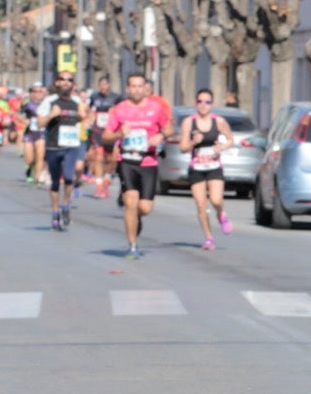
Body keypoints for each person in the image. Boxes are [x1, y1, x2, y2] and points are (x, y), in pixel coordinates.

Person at [102, 73, 175, 259]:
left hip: (148, 161)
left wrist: (161, 136)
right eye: (132, 86)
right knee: (131, 203)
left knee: (145, 208)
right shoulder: (119, 110)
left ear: (145, 88)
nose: (136, 90)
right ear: (127, 89)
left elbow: (169, 128)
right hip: (127, 161)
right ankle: (132, 246)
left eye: (139, 86)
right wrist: (119, 133)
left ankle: (136, 219)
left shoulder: (156, 108)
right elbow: (105, 136)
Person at [178, 88, 236, 250]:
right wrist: (192, 142)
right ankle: (209, 237)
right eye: (200, 102)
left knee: (216, 200)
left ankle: (220, 214)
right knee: (201, 204)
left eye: (207, 102)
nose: (203, 105)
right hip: (197, 167)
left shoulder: (219, 121)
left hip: (214, 166)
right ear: (195, 103)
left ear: (212, 104)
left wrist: (221, 147)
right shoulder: (189, 122)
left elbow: (231, 140)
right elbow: (182, 147)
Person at [39, 73, 88, 232]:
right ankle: (55, 212)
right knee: (54, 182)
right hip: (54, 146)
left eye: (70, 80)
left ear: (73, 84)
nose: (66, 82)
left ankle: (65, 205)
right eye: (63, 80)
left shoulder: (77, 102)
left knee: (68, 177)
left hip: (71, 145)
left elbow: (83, 118)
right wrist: (51, 115)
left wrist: (82, 117)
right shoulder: (49, 101)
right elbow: (40, 123)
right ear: (57, 83)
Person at [85, 76, 118, 197]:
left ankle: (107, 176)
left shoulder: (116, 97)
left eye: (105, 84)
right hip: (98, 130)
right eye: (101, 85)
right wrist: (89, 116)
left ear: (109, 85)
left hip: (111, 131)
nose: (103, 87)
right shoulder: (94, 96)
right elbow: (87, 109)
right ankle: (99, 186)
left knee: (111, 158)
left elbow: (122, 111)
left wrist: (114, 112)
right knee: (98, 156)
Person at [20, 83, 49, 184]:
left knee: (40, 156)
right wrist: (24, 120)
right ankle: (30, 168)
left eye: (40, 91)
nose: (37, 94)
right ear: (31, 93)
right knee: (29, 158)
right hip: (29, 133)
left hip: (41, 133)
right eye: (34, 92)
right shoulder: (27, 104)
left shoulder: (46, 104)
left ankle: (38, 177)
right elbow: (19, 114)